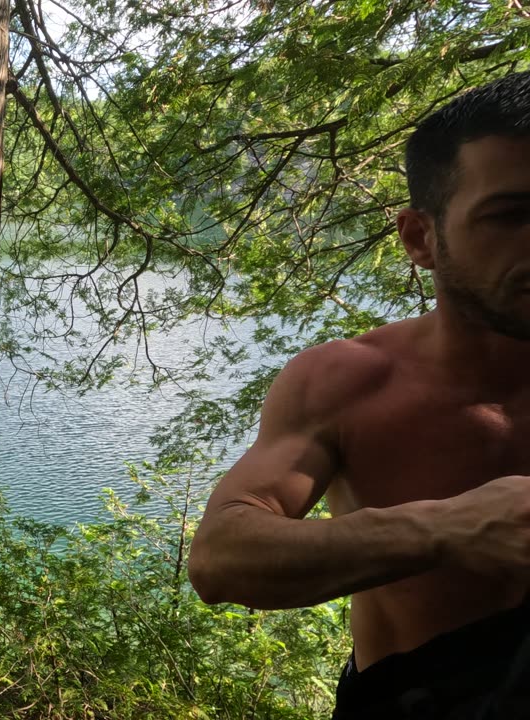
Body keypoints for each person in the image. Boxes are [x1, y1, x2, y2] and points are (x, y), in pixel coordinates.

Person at [187, 70, 530, 720]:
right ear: (420, 238)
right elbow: (221, 556)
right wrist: (444, 530)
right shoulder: (346, 380)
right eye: (512, 215)